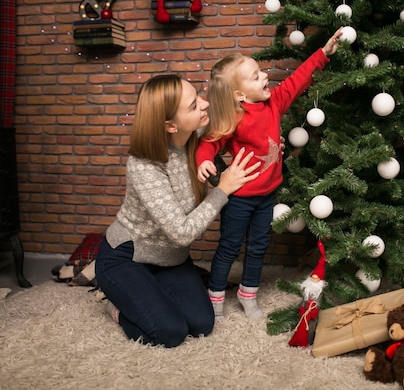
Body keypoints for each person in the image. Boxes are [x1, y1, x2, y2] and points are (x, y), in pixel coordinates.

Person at [95, 74, 261, 348]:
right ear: (170, 125)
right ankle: (116, 308)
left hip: (172, 260)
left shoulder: (199, 139)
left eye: (199, 97)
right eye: (194, 105)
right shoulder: (144, 165)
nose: (204, 104)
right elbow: (182, 233)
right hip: (127, 258)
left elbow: (240, 126)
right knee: (169, 333)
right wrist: (222, 191)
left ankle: (149, 295)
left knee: (201, 325)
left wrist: (267, 145)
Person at [196, 28, 343, 319]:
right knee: (229, 246)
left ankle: (248, 293)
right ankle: (215, 296)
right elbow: (208, 143)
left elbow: (296, 81)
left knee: (259, 246)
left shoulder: (273, 102)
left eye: (261, 72)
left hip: (266, 196)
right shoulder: (234, 117)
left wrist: (322, 54)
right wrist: (204, 161)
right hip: (238, 198)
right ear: (239, 94)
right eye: (255, 76)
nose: (265, 77)